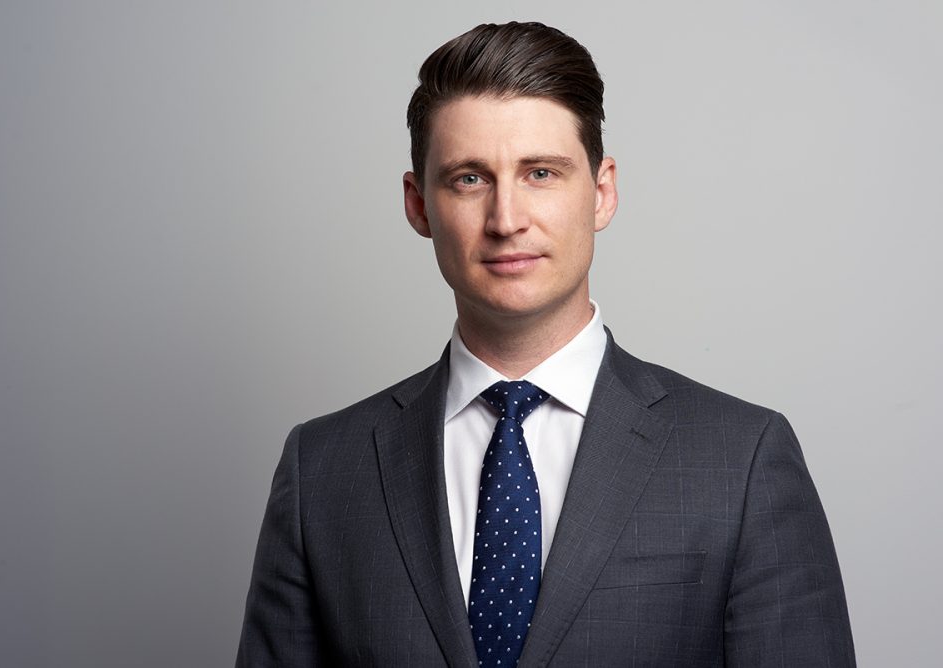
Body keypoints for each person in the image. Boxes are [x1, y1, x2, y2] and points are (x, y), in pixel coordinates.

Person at [236, 21, 855, 667]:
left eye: (540, 172)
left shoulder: (741, 459)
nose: (507, 220)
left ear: (602, 191)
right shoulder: (324, 469)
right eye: (469, 179)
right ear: (419, 206)